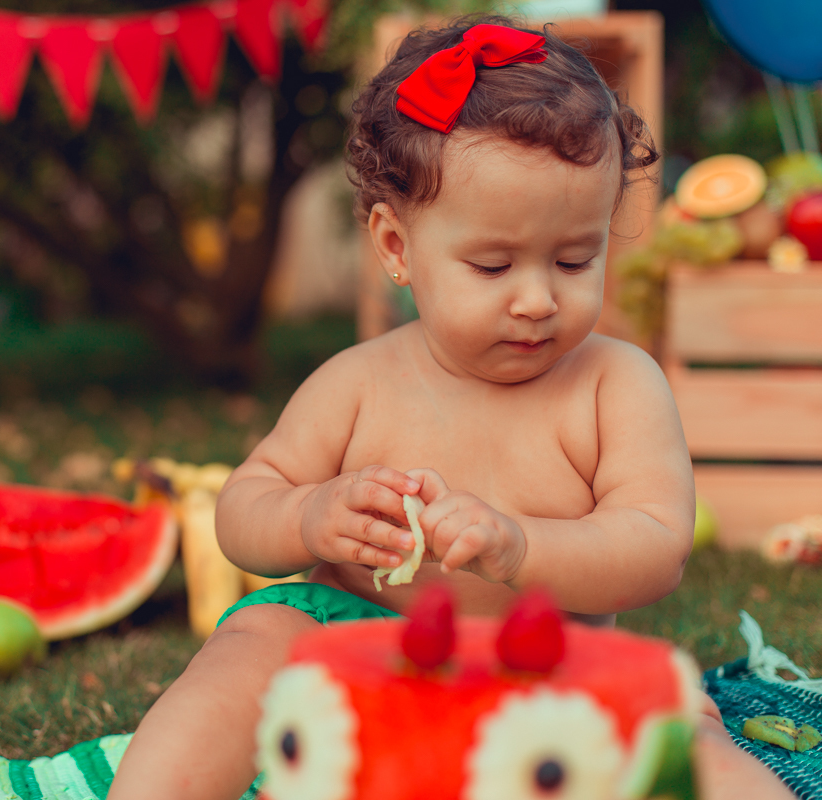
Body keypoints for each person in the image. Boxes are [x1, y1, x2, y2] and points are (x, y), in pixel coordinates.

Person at [108, 16, 787, 800]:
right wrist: (308, 515)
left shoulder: (615, 385)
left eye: (575, 259)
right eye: (493, 265)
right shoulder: (357, 383)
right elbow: (242, 510)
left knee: (680, 722)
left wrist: (520, 548)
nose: (537, 299)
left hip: (545, 668)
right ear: (396, 247)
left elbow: (655, 548)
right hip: (354, 659)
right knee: (257, 639)